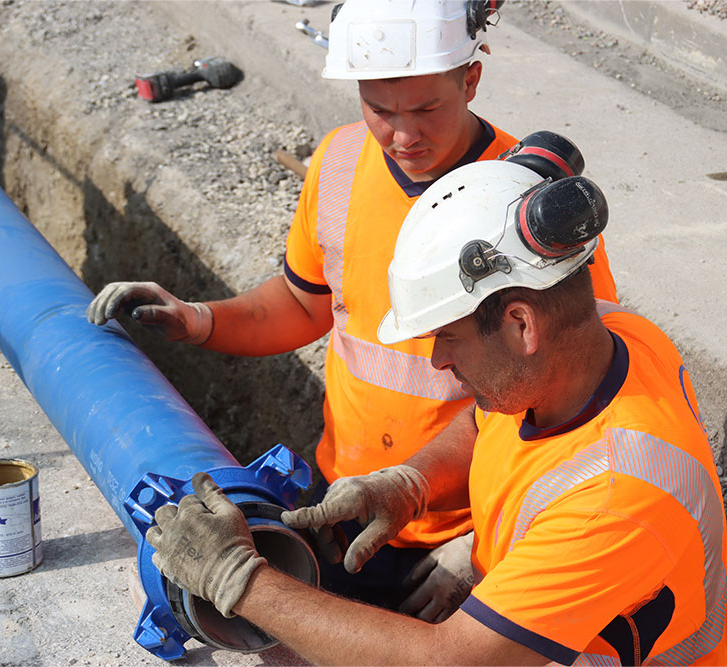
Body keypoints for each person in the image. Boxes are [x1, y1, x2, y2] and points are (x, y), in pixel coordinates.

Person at [87, 0, 617, 622]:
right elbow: (301, 302)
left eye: (425, 109)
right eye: (380, 110)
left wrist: (489, 545)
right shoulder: (340, 163)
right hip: (344, 504)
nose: (402, 135)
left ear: (469, 80)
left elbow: (572, 385)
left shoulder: (522, 209)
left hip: (471, 533)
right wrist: (199, 319)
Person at [145, 154, 727, 665]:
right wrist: (409, 484)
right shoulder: (609, 340)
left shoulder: (617, 496)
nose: (435, 361)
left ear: (520, 324)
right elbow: (487, 421)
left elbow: (448, 660)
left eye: (448, 338)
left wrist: (240, 580)